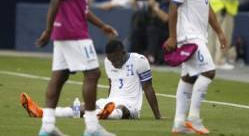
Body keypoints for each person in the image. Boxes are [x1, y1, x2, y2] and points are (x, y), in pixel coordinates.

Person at [36, 0, 118, 136]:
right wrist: (48, 28)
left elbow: (84, 9)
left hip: (65, 31)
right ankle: (91, 126)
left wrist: (102, 26)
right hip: (73, 32)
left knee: (59, 76)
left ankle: (47, 125)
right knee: (93, 73)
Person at [163, 0, 227, 135]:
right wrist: (173, 37)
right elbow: (173, 7)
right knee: (208, 71)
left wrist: (219, 31)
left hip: (199, 34)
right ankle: (194, 118)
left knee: (188, 77)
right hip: (188, 35)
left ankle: (179, 123)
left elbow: (208, 9)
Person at [21, 39, 161, 120]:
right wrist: (108, 101)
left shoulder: (140, 60)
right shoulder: (107, 62)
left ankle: (106, 113)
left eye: (115, 59)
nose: (113, 62)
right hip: (110, 102)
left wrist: (158, 116)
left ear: (123, 53)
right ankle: (41, 112)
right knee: (82, 107)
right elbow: (112, 84)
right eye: (110, 59)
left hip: (131, 105)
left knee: (121, 109)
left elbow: (148, 88)